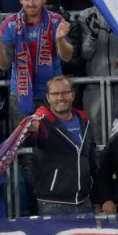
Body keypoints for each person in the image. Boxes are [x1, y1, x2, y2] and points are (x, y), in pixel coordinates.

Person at [0, 0, 74, 117]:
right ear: (20, 0)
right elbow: (4, 64)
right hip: (21, 93)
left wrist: (60, 39)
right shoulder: (9, 23)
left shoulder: (56, 20)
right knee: (24, 132)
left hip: (53, 94)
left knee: (52, 132)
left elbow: (67, 57)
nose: (31, 4)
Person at [30, 76, 98, 216]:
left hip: (85, 201)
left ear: (73, 94)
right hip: (53, 204)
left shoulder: (84, 119)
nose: (60, 98)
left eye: (65, 92)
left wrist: (98, 199)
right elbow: (28, 141)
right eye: (55, 94)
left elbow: (92, 160)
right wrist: (30, 131)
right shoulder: (40, 123)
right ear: (48, 97)